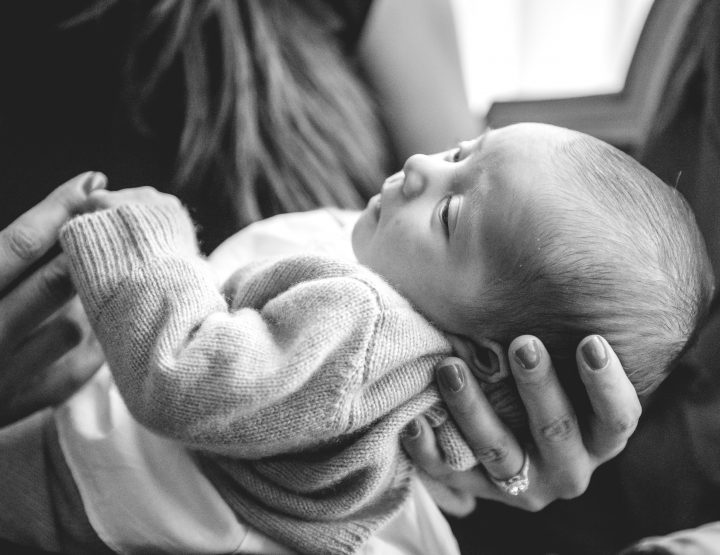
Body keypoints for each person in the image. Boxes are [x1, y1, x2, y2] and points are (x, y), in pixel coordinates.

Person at [1, 123, 710, 554]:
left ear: (488, 356)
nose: (422, 169)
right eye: (463, 150)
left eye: (451, 211)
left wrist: (143, 242)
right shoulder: (413, 313)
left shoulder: (364, 329)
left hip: (93, 479)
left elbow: (186, 378)